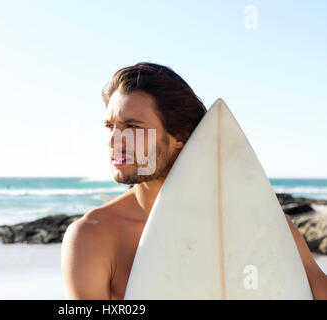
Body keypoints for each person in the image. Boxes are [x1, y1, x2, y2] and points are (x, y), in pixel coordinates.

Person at [61, 62, 327, 300]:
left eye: (132, 127)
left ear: (182, 137)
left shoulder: (263, 225)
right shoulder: (93, 237)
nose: (114, 141)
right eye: (110, 127)